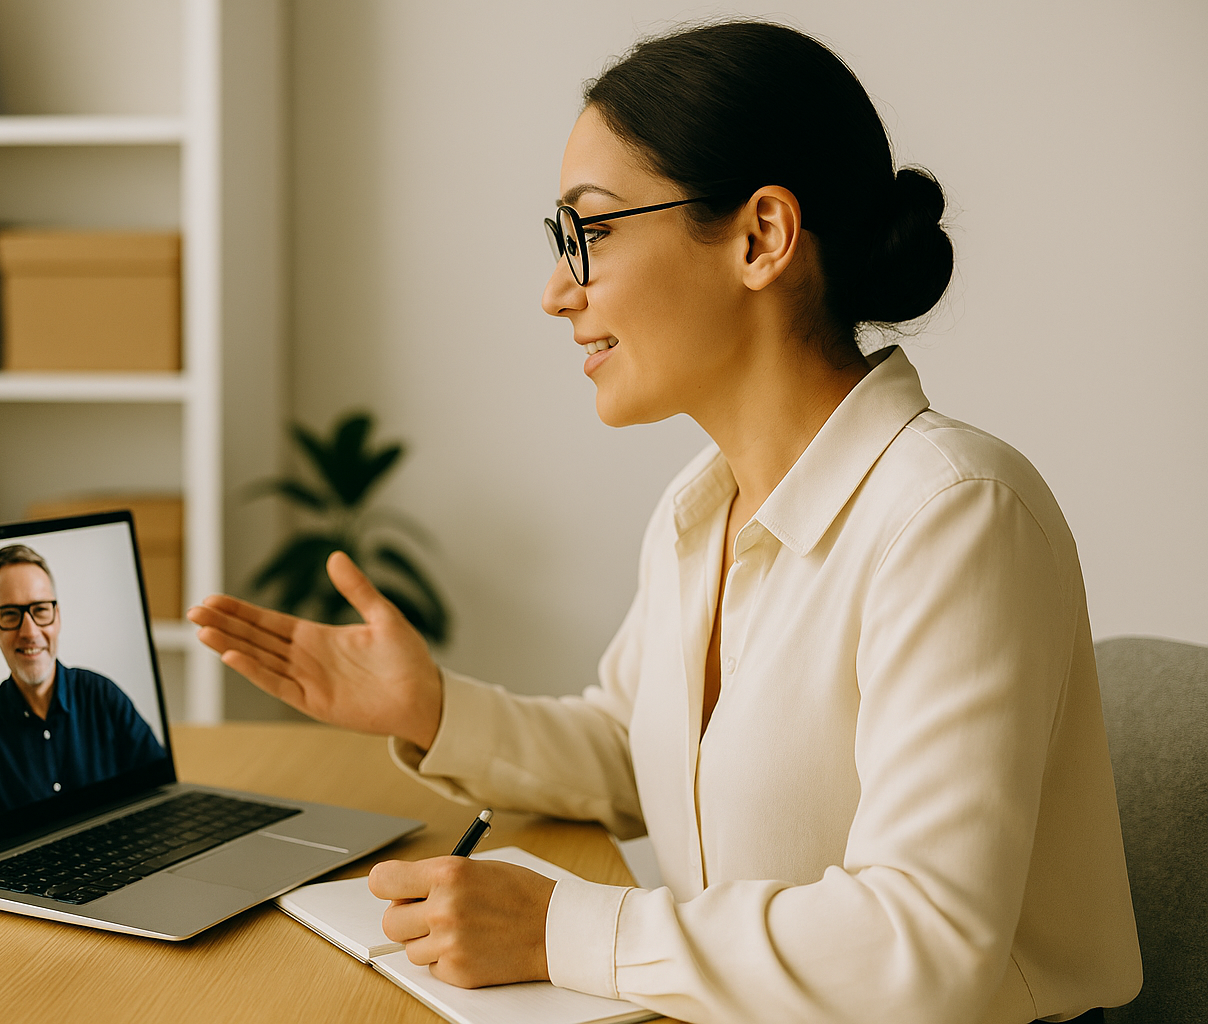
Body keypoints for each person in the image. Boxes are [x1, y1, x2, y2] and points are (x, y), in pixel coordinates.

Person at [186, 20, 1141, 1024]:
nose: (557, 292)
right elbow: (633, 749)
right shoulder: (701, 509)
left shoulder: (955, 517)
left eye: (591, 233)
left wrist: (561, 929)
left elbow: (925, 944)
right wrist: (432, 709)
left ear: (760, 237)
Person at [0, 544, 167, 833]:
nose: (30, 632)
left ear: (57, 616)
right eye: (10, 614)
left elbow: (162, 793)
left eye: (40, 610)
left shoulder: (103, 697)